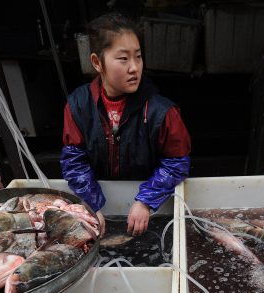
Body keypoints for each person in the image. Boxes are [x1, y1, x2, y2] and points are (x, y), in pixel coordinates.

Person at [60, 13, 191, 237]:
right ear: (97, 62)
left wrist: (146, 201)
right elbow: (74, 160)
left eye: (138, 57)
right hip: (100, 209)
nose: (134, 68)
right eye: (123, 59)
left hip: (149, 211)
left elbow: (176, 162)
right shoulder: (78, 106)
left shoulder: (162, 111)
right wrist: (92, 205)